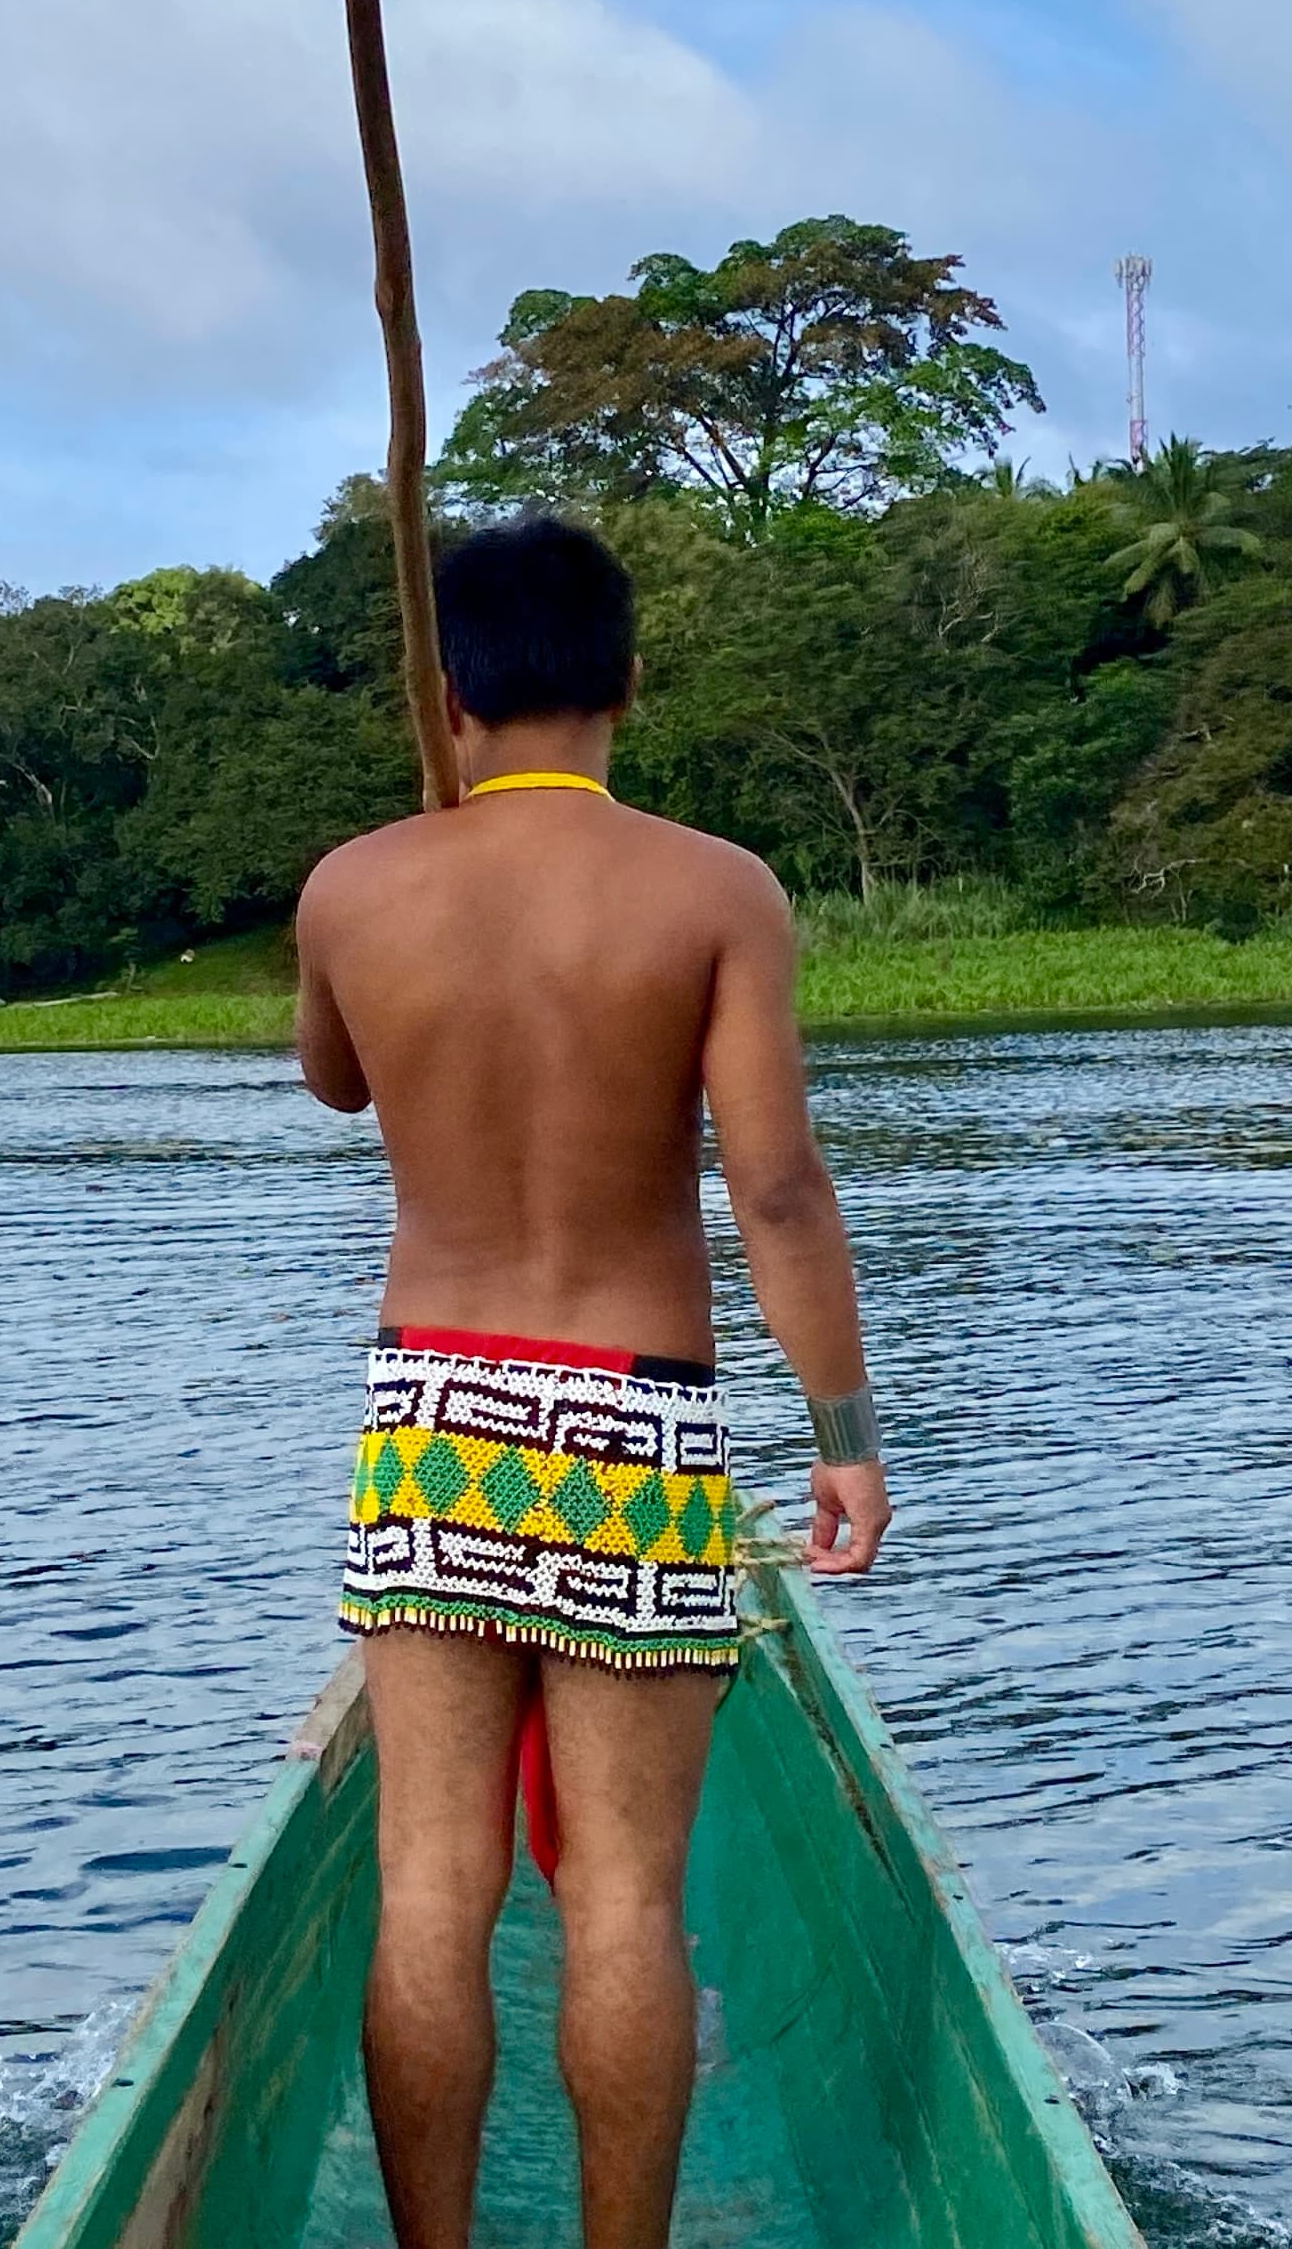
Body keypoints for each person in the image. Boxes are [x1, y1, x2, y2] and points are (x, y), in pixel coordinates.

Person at [296, 514, 891, 2249]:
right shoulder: (714, 891)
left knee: (431, 1885)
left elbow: (335, 1078)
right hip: (629, 1414)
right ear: (628, 678)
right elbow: (777, 1190)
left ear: (446, 694)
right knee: (624, 1895)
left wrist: (414, 872)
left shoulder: (352, 886)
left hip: (432, 1414)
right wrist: (843, 1433)